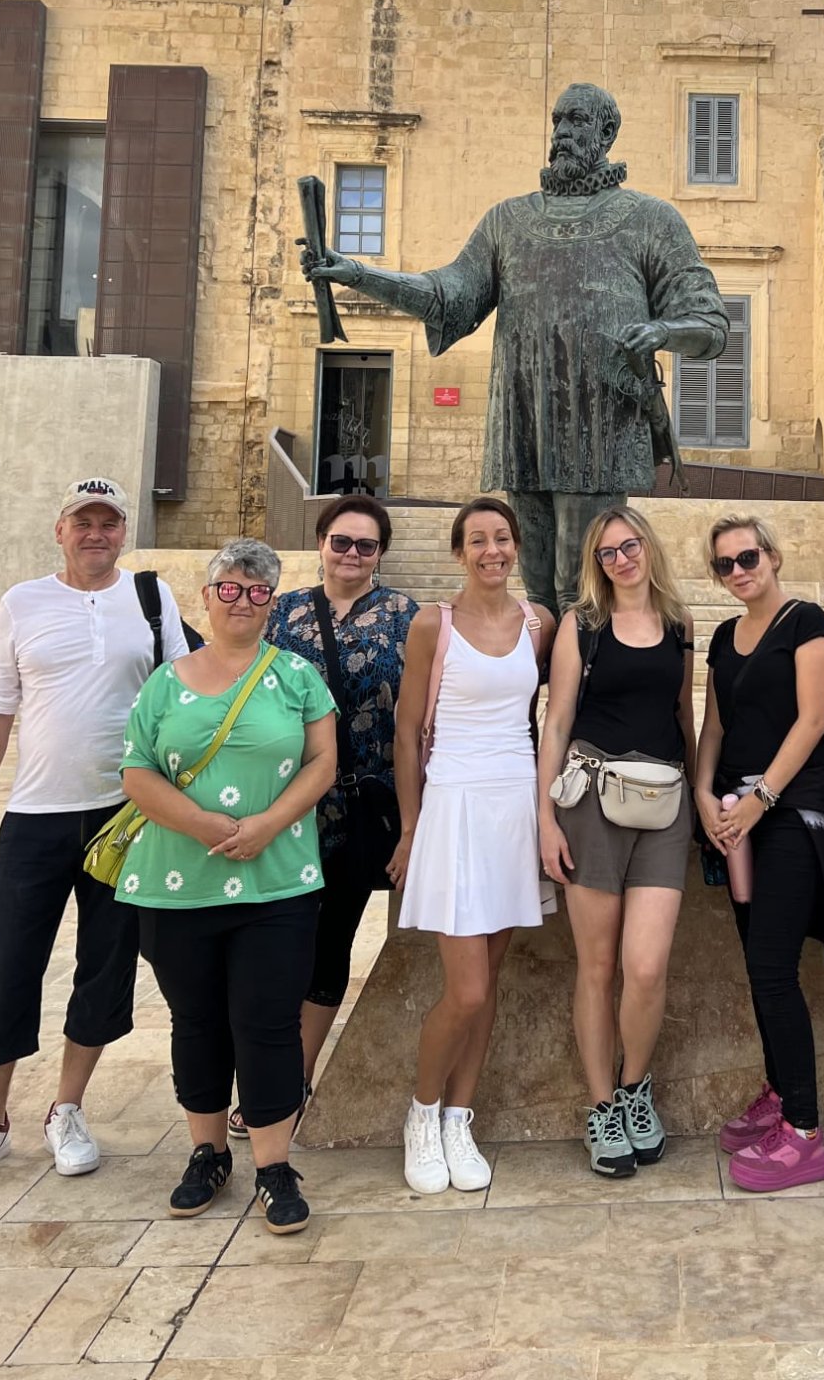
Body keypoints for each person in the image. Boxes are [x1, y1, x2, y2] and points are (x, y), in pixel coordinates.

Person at [302, 82, 728, 616]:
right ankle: (543, 667)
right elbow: (446, 294)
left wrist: (663, 331)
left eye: (577, 120)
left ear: (606, 132)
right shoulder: (507, 222)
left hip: (601, 425)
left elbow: (709, 322)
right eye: (558, 121)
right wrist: (356, 273)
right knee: (539, 590)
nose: (563, 132)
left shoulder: (650, 219)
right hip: (524, 424)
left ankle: (582, 669)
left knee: (583, 587)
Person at [0, 476, 189, 1194]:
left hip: (125, 815)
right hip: (37, 813)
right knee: (9, 967)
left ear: (124, 532)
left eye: (109, 523)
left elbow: (182, 691)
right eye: (84, 522)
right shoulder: (23, 602)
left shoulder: (151, 598)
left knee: (106, 967)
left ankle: (67, 1108)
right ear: (61, 530)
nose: (96, 534)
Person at [118, 539, 336, 1234]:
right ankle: (207, 1153)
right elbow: (136, 769)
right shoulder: (166, 681)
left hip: (276, 881)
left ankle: (274, 1165)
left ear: (272, 603)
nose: (243, 600)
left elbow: (323, 761)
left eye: (258, 590)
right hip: (179, 882)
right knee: (197, 1020)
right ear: (208, 597)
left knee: (268, 1022)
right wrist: (202, 822)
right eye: (231, 589)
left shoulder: (297, 676)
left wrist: (267, 824)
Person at [233, 492, 418, 1136]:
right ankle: (263, 1068)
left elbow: (421, 717)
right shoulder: (282, 613)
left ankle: (295, 1078)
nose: (352, 555)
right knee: (277, 943)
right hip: (287, 807)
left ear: (380, 553)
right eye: (341, 542)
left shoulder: (405, 617)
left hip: (362, 807)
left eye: (366, 545)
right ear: (320, 544)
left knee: (331, 940)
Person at [390, 497, 556, 1195]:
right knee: (466, 989)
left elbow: (542, 718)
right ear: (459, 552)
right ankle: (422, 1112)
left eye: (503, 538)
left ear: (516, 546)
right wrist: (410, 828)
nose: (493, 551)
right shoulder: (434, 624)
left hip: (514, 807)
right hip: (455, 807)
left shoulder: (538, 623)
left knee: (488, 984)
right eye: (479, 540)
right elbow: (406, 733)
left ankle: (460, 1116)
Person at [539, 506, 696, 1177]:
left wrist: (702, 795)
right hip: (592, 801)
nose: (621, 560)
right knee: (597, 967)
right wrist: (545, 818)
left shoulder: (680, 624)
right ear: (595, 564)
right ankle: (602, 1105)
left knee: (647, 967)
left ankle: (635, 1089)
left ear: (648, 546)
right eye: (607, 553)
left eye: (629, 546)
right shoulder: (582, 625)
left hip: (663, 803)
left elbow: (685, 715)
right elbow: (557, 720)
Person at [697, 513, 824, 1193]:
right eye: (724, 563)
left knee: (772, 967)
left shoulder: (806, 622)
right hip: (736, 819)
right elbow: (714, 725)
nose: (738, 571)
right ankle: (781, 1091)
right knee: (758, 966)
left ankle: (805, 1131)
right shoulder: (723, 636)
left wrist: (759, 799)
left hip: (794, 812)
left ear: (774, 556)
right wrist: (704, 793)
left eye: (748, 557)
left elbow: (812, 721)